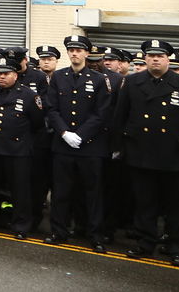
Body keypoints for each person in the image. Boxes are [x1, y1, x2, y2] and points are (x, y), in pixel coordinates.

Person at [110, 38, 179, 266]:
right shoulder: (131, 82)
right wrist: (117, 147)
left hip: (176, 155)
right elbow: (120, 117)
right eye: (151, 56)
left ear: (167, 59)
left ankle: (177, 248)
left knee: (177, 207)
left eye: (160, 56)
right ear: (145, 58)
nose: (155, 59)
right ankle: (145, 243)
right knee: (145, 204)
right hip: (141, 153)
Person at [44, 34, 113, 252]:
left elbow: (101, 113)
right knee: (61, 192)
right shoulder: (58, 77)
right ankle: (59, 231)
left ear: (86, 53)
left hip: (90, 146)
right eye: (71, 50)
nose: (74, 53)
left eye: (79, 50)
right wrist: (64, 132)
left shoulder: (99, 79)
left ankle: (95, 235)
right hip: (63, 145)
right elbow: (51, 108)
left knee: (92, 193)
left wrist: (81, 135)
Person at [0, 56, 45, 239]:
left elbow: (37, 123)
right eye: (0, 73)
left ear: (15, 75)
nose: (2, 77)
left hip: (17, 149)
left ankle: (21, 225)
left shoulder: (29, 95)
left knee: (20, 189)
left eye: (6, 74)